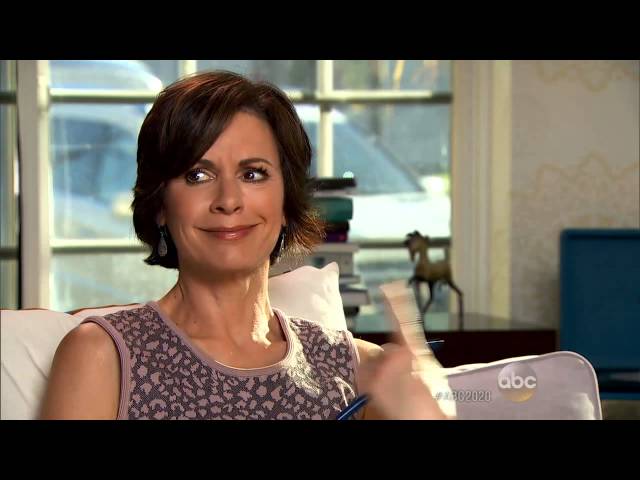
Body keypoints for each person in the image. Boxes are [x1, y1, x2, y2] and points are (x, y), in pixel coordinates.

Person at [39, 70, 448, 420]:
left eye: (253, 174)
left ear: (285, 201)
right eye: (198, 175)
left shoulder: (361, 369)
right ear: (160, 204)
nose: (229, 200)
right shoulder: (103, 357)